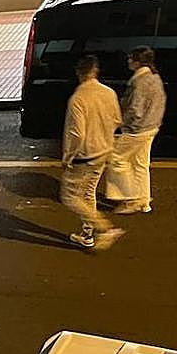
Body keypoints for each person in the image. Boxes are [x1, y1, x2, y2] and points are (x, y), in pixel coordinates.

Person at [60, 55, 124, 251]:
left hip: (85, 155)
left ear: (79, 73)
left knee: (70, 196)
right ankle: (87, 235)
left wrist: (67, 156)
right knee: (88, 193)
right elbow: (117, 120)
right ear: (95, 71)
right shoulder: (109, 93)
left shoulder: (78, 99)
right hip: (104, 151)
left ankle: (104, 228)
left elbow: (76, 133)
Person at [105, 46, 166, 214]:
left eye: (131, 58)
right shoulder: (155, 77)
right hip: (152, 127)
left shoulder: (139, 81)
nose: (128, 61)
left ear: (138, 61)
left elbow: (135, 110)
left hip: (137, 129)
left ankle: (130, 198)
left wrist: (119, 123)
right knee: (141, 164)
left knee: (117, 159)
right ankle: (144, 200)